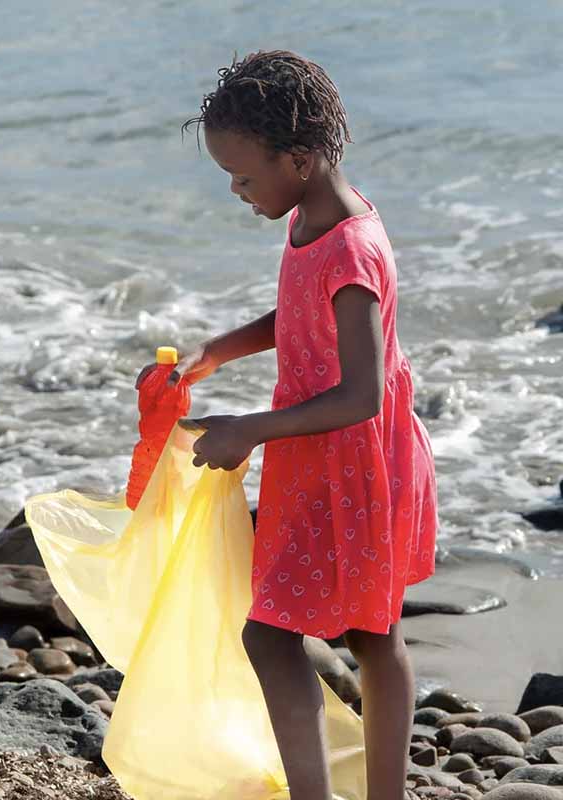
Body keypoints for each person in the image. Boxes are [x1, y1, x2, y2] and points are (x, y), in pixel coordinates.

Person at [135, 50, 438, 800]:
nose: (236, 192)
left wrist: (251, 428)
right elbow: (299, 315)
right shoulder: (309, 217)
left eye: (242, 176)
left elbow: (362, 394)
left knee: (344, 634)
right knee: (334, 632)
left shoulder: (355, 248)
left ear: (298, 159)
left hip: (357, 457)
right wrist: (216, 352)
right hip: (314, 453)